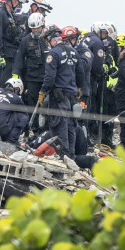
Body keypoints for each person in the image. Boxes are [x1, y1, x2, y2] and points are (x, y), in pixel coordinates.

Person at [38, 25, 84, 159]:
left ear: (51, 39)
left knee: (59, 126)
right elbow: (80, 72)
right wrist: (79, 87)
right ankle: (71, 156)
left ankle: (63, 157)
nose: (47, 44)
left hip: (58, 96)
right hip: (72, 95)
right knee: (71, 127)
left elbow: (50, 77)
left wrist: (43, 91)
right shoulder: (74, 52)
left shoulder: (53, 53)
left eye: (47, 41)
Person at [12, 12, 48, 131]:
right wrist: (15, 75)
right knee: (32, 102)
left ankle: (47, 128)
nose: (35, 31)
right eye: (33, 28)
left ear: (43, 26)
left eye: (37, 28)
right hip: (32, 78)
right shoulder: (26, 40)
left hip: (47, 78)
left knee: (47, 103)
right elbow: (19, 58)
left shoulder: (49, 39)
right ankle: (34, 129)